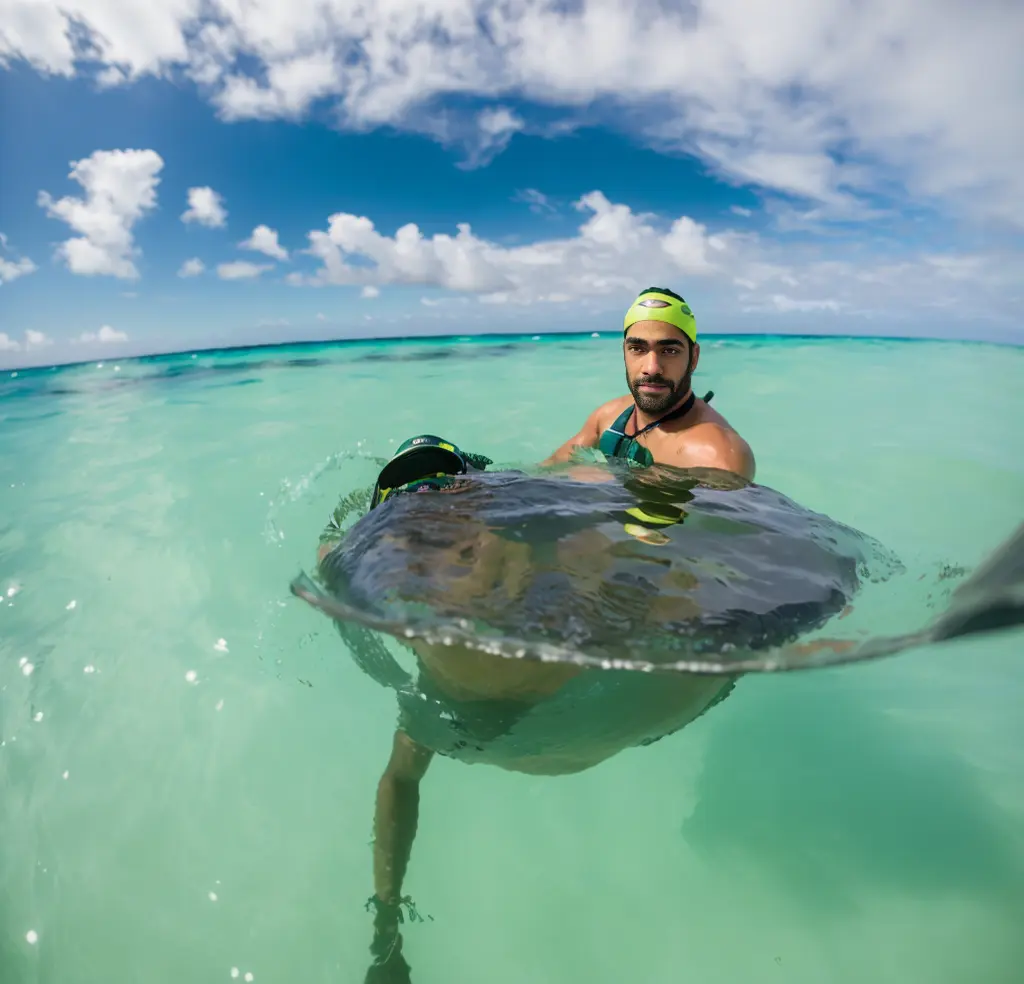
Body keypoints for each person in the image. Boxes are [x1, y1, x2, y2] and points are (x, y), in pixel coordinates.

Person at [543, 286, 755, 480]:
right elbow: (545, 471)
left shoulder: (718, 458)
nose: (652, 368)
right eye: (638, 349)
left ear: (694, 357)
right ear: (624, 353)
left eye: (669, 351)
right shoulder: (608, 417)